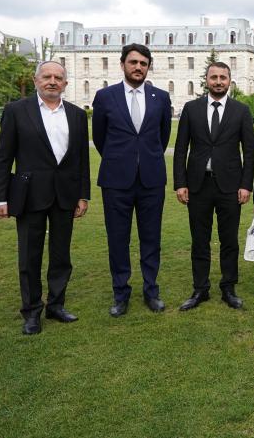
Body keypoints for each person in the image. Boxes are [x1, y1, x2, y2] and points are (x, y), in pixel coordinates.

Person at [0, 61, 90, 335]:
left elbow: (81, 160)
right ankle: (31, 311)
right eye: (47, 76)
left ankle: (56, 305)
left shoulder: (77, 115)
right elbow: (3, 157)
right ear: (36, 81)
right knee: (29, 256)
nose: (52, 81)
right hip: (29, 195)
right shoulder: (16, 111)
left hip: (65, 195)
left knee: (61, 255)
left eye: (58, 77)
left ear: (66, 84)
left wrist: (83, 195)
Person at [92, 43, 172, 316]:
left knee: (151, 238)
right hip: (116, 181)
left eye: (143, 63)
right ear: (123, 64)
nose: (138, 67)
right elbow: (99, 138)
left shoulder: (160, 97)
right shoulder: (105, 96)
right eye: (133, 62)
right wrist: (122, 160)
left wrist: (144, 159)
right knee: (118, 239)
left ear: (149, 67)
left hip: (151, 180)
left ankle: (151, 291)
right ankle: (120, 294)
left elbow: (163, 137)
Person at [173, 62, 254, 311]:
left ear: (230, 80)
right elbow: (180, 149)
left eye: (223, 77)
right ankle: (200, 289)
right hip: (198, 185)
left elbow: (249, 151)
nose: (218, 81)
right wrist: (180, 183)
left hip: (230, 186)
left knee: (229, 239)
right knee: (200, 239)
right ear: (206, 80)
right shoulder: (191, 109)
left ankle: (228, 288)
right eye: (214, 77)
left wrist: (246, 185)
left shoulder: (241, 110)